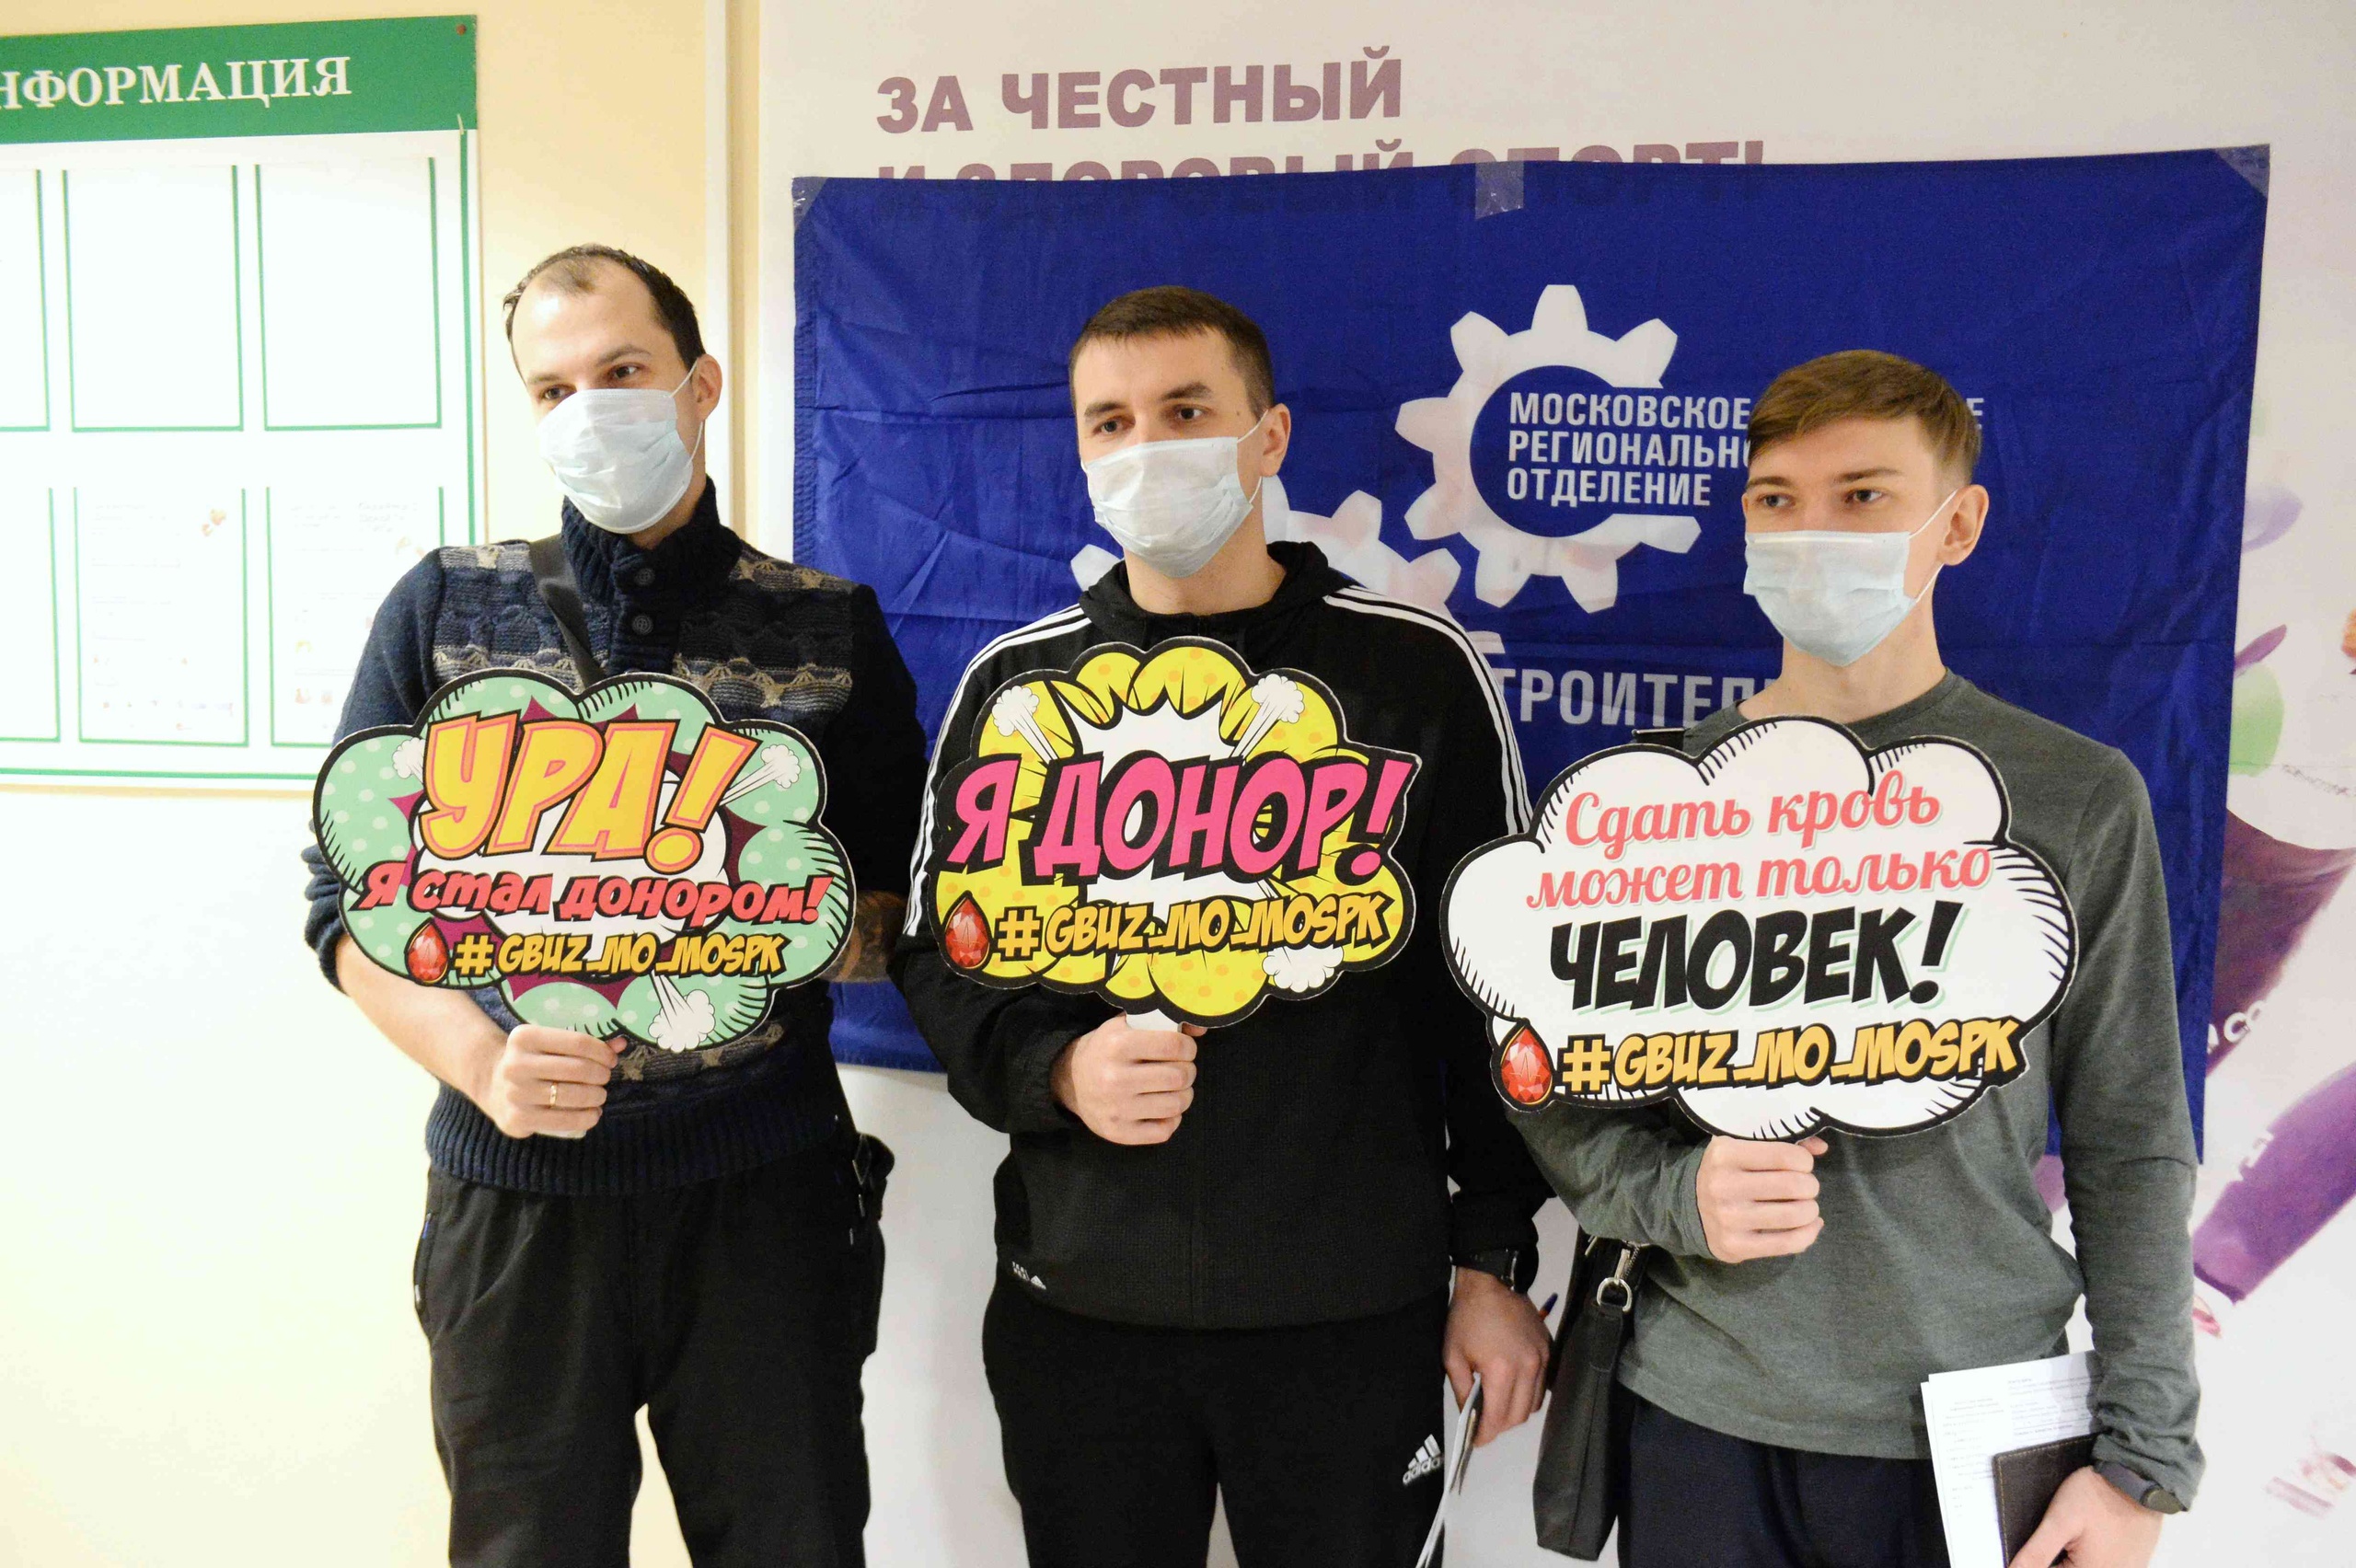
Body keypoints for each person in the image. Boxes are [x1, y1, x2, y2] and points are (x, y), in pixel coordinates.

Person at [890, 285, 1556, 1567]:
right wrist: (1056, 1069)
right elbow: (937, 953)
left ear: (1269, 436)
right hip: (1081, 1311)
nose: (1147, 447)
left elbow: (1498, 988)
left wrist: (1491, 1262)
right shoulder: (1016, 685)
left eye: (1186, 411)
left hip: (1348, 1318)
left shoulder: (1413, 671)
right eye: (1111, 422)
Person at [1516, 351, 2202, 1567]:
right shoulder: (1651, 803)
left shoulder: (2074, 796)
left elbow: (2132, 1138)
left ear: (1959, 525)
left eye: (1864, 496)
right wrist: (1676, 1195)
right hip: (1697, 1410)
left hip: (1967, 1420)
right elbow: (1554, 1095)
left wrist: (2143, 1456)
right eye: (1777, 500)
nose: (1812, 532)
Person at [300, 244, 927, 1568]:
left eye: (624, 371)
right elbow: (345, 903)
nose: (590, 408)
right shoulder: (445, 605)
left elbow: (906, 906)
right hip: (516, 1205)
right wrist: (480, 1062)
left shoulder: (828, 626)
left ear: (700, 385)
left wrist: (773, 928)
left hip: (763, 1198)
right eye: (554, 387)